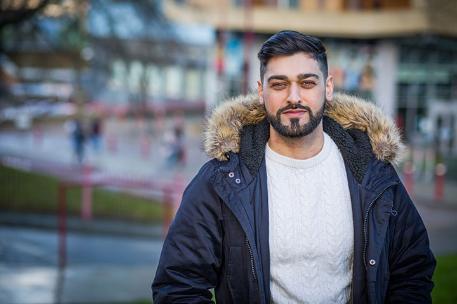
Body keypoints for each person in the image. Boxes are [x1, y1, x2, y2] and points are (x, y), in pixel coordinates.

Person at [152, 31, 435, 303]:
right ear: (262, 92)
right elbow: (179, 283)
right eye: (279, 84)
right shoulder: (221, 180)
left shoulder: (374, 173)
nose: (294, 97)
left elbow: (412, 268)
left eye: (308, 83)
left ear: (328, 87)